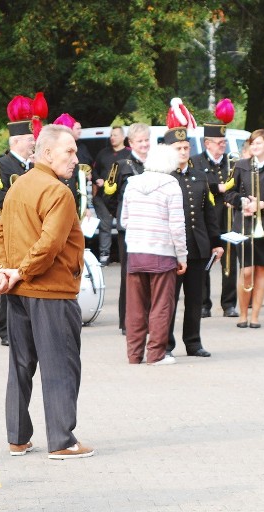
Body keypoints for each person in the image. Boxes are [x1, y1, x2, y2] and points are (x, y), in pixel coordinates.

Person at [0, 124, 94, 459]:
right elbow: (50, 245)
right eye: (69, 151)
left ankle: (18, 438)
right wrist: (17, 271)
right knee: (60, 365)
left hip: (19, 292)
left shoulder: (19, 186)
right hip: (50, 292)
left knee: (20, 364)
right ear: (47, 153)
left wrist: (7, 271)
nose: (75, 158)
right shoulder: (58, 192)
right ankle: (62, 441)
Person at [121, 144, 187, 365]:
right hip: (162, 252)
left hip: (136, 251)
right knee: (161, 306)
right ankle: (156, 354)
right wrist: (182, 256)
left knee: (135, 307)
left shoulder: (132, 183)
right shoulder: (171, 186)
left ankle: (134, 355)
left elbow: (124, 220)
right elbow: (177, 226)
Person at [164, 116, 222, 358]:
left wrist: (217, 243)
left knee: (195, 299)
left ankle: (193, 342)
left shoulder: (200, 177)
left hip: (198, 247)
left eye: (186, 147)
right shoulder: (165, 177)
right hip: (171, 249)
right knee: (169, 300)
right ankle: (166, 343)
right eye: (178, 148)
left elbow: (209, 213)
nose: (184, 151)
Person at [0, 95, 39, 346]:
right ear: (17, 141)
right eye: (30, 139)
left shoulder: (34, 166)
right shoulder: (2, 164)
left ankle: (25, 328)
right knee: (8, 278)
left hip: (30, 229)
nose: (34, 142)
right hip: (10, 229)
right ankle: (6, 331)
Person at [224, 130, 264, 328]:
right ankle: (243, 314)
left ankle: (255, 317)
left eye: (259, 143)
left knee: (261, 270)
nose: (255, 147)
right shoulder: (240, 166)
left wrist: (262, 205)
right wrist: (242, 202)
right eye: (252, 143)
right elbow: (228, 192)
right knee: (246, 271)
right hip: (243, 225)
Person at [104, 122, 150, 334]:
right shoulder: (121, 165)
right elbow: (109, 196)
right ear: (131, 143)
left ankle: (146, 319)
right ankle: (126, 321)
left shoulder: (154, 163)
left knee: (148, 273)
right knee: (128, 274)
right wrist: (121, 215)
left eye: (147, 140)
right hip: (129, 229)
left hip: (149, 226)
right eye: (140, 141)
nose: (144, 145)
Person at [194, 99, 237, 318]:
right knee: (206, 260)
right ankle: (203, 304)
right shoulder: (196, 162)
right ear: (207, 143)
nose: (223, 146)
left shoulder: (232, 161)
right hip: (205, 218)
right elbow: (195, 184)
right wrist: (217, 187)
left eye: (224, 142)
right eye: (219, 142)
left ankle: (229, 303)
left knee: (230, 261)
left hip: (228, 216)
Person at [92, 125, 130, 264]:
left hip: (121, 197)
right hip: (103, 197)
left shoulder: (128, 154)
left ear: (123, 137)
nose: (112, 138)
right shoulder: (103, 153)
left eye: (115, 135)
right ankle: (104, 254)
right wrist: (97, 179)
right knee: (105, 225)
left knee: (123, 226)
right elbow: (94, 170)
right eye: (111, 135)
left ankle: (124, 255)